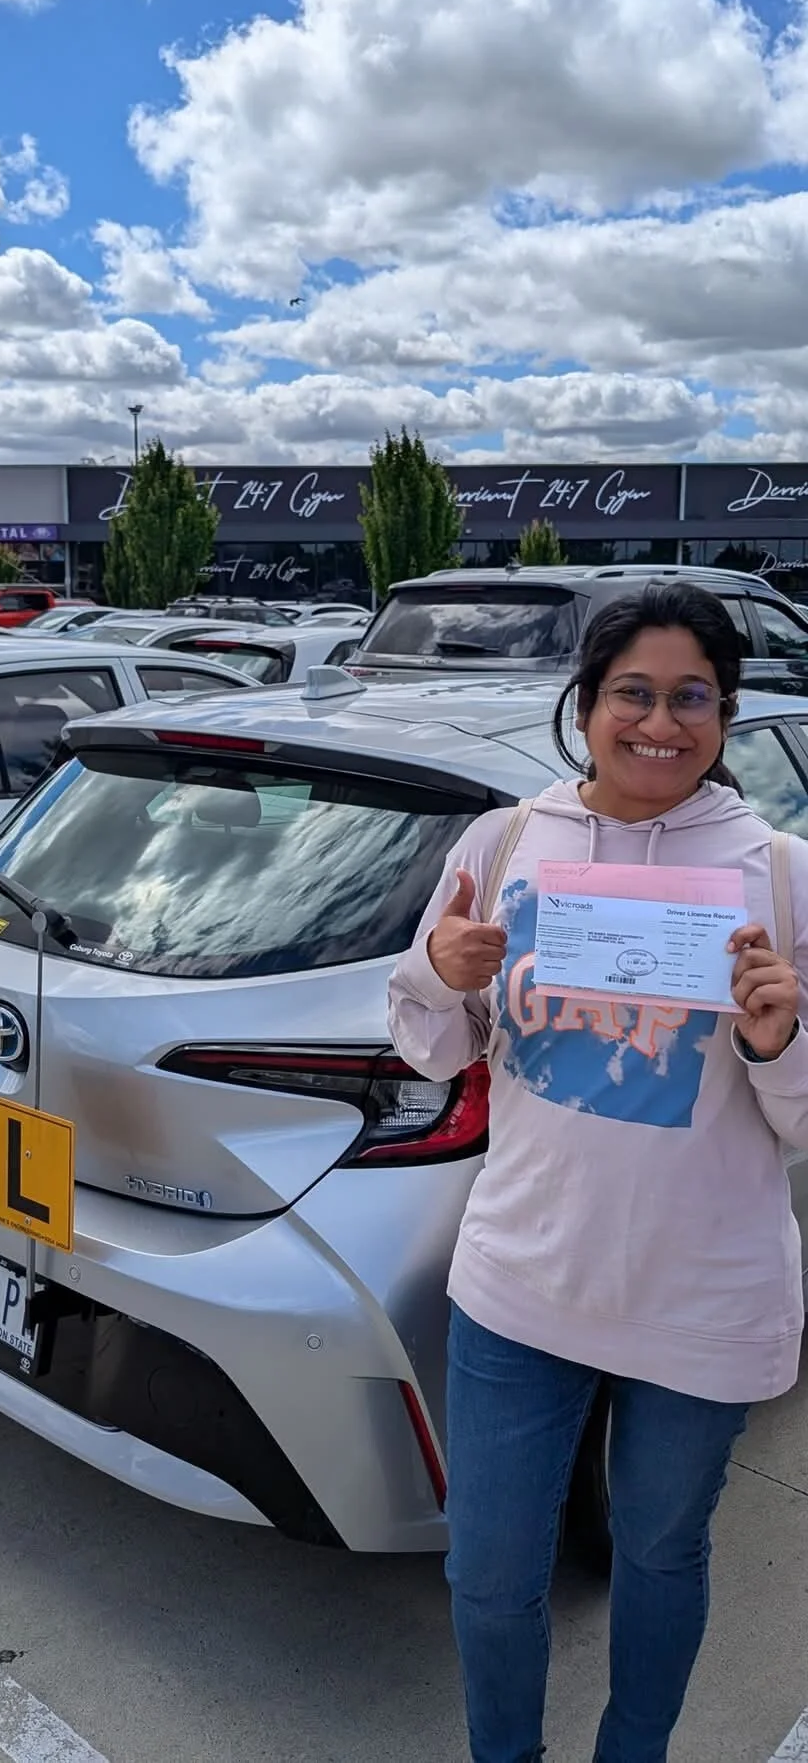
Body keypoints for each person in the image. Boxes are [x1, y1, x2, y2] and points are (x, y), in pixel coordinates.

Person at [387, 580, 808, 1763]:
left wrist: (778, 1038)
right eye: (633, 692)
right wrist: (441, 973)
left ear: (725, 712)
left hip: (702, 1295)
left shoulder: (782, 874)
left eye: (692, 697)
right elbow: (430, 1048)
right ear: (585, 704)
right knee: (488, 1572)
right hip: (522, 1281)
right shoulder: (506, 843)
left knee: (662, 1554)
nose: (660, 722)